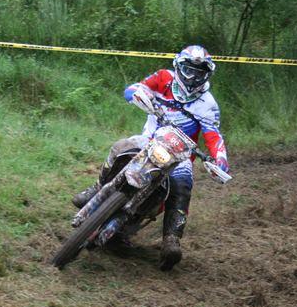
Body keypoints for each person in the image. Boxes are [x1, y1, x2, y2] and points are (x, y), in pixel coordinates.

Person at [72, 45, 230, 271]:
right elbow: (134, 88)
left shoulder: (208, 104)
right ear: (178, 67)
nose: (192, 77)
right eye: (188, 70)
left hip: (180, 155)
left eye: (199, 73)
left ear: (207, 74)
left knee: (183, 184)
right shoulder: (164, 78)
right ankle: (96, 188)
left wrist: (220, 161)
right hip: (149, 139)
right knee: (121, 147)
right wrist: (138, 94)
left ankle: (171, 239)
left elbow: (214, 136)